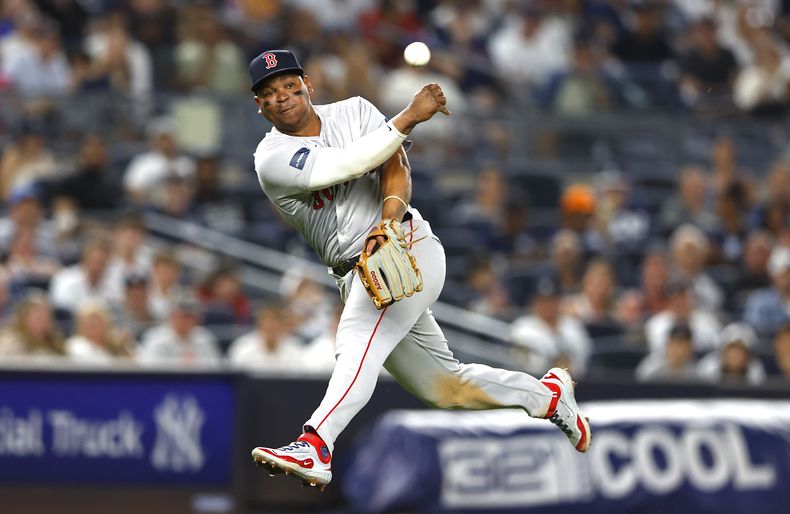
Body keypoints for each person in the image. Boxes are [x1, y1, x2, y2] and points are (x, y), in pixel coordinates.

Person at [247, 49, 590, 489]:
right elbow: (345, 165)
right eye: (270, 93)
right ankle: (547, 397)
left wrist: (388, 222)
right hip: (355, 273)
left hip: (407, 247)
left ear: (307, 85)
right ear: (259, 105)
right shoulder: (271, 158)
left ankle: (316, 443)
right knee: (445, 386)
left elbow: (396, 166)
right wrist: (408, 116)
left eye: (290, 85)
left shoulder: (353, 110)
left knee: (356, 339)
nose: (283, 97)